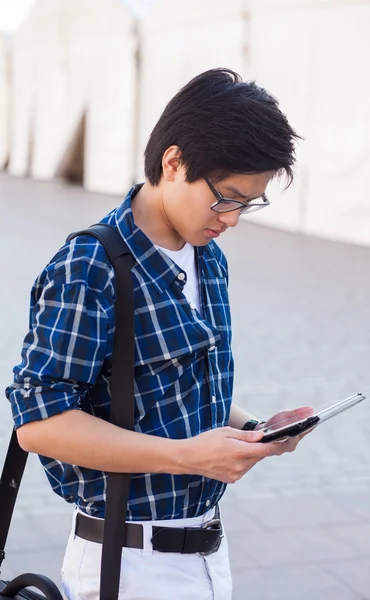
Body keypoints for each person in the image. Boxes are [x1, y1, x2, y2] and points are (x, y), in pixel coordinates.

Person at [6, 68, 313, 600]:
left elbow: (179, 390)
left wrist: (257, 432)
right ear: (173, 163)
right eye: (228, 198)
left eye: (250, 202)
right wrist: (189, 456)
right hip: (125, 565)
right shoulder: (91, 264)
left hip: (208, 554)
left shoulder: (207, 255)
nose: (235, 219)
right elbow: (39, 424)